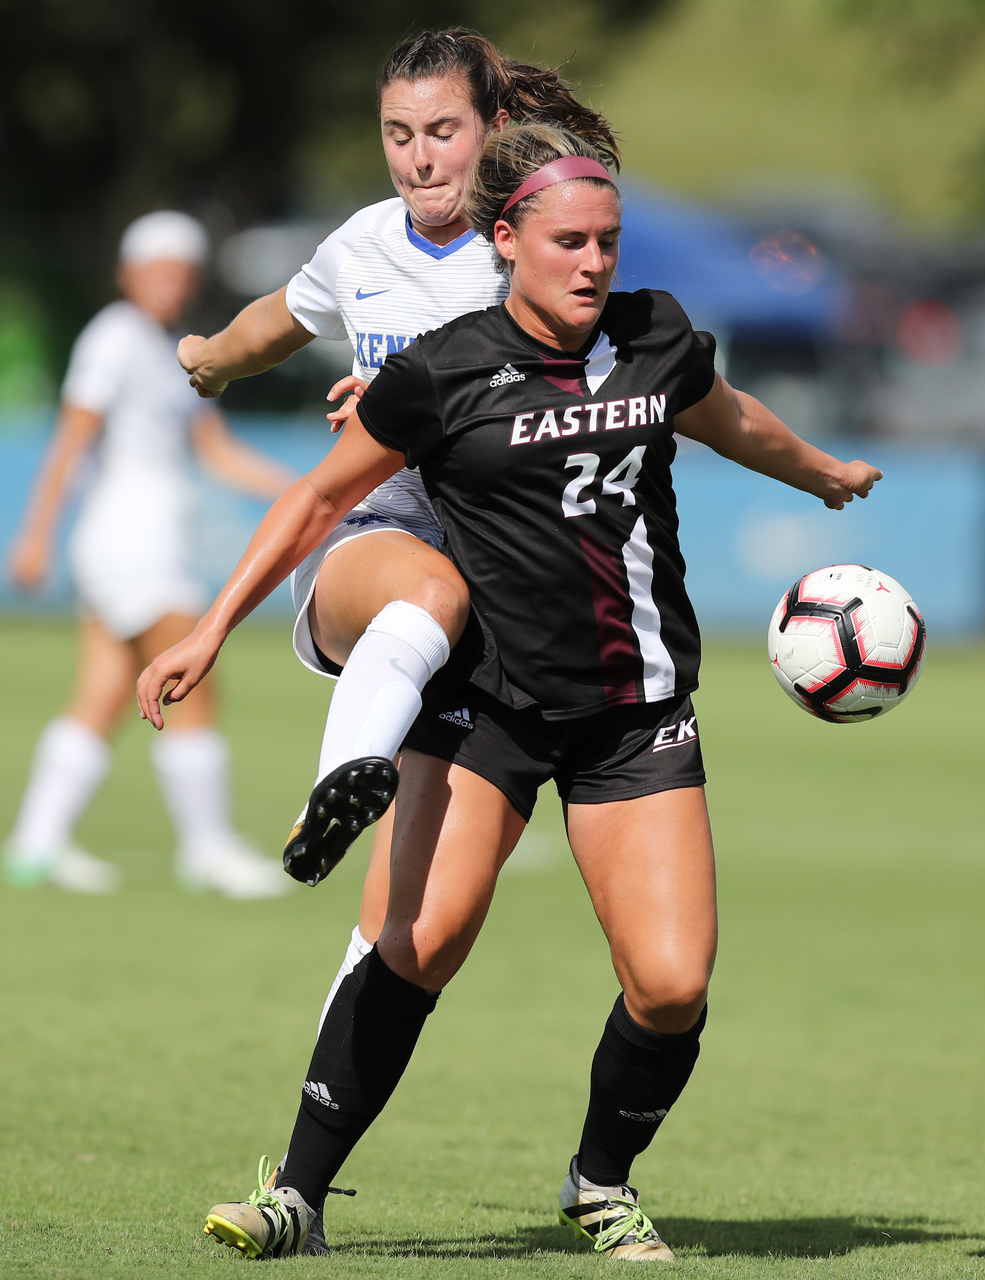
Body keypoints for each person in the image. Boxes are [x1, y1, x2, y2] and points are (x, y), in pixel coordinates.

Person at [137, 123, 883, 1260]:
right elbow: (311, 502)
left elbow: (728, 419)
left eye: (607, 242)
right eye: (569, 242)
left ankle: (599, 1179)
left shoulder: (655, 336)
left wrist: (821, 471)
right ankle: (296, 1196)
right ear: (507, 241)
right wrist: (207, 629)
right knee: (414, 943)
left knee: (672, 984)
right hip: (488, 708)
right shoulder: (441, 368)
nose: (593, 263)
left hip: (634, 716)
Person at [171, 28, 621, 1015]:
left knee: (404, 923)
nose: (418, 156)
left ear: (494, 130)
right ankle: (337, 784)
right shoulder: (362, 245)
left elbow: (569, 422)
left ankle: (298, 1164)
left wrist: (412, 401)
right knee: (424, 589)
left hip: (500, 607)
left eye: (442, 130)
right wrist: (208, 355)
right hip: (373, 554)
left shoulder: (534, 253)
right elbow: (276, 319)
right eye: (398, 133)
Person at [4, 211, 295, 898]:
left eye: (183, 273)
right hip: (132, 543)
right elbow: (71, 440)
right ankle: (208, 848)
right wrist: (35, 532)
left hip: (144, 542)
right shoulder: (113, 339)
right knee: (194, 684)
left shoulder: (175, 347)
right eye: (160, 271)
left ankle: (35, 843)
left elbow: (215, 452)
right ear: (129, 274)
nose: (173, 284)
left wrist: (305, 492)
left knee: (102, 693)